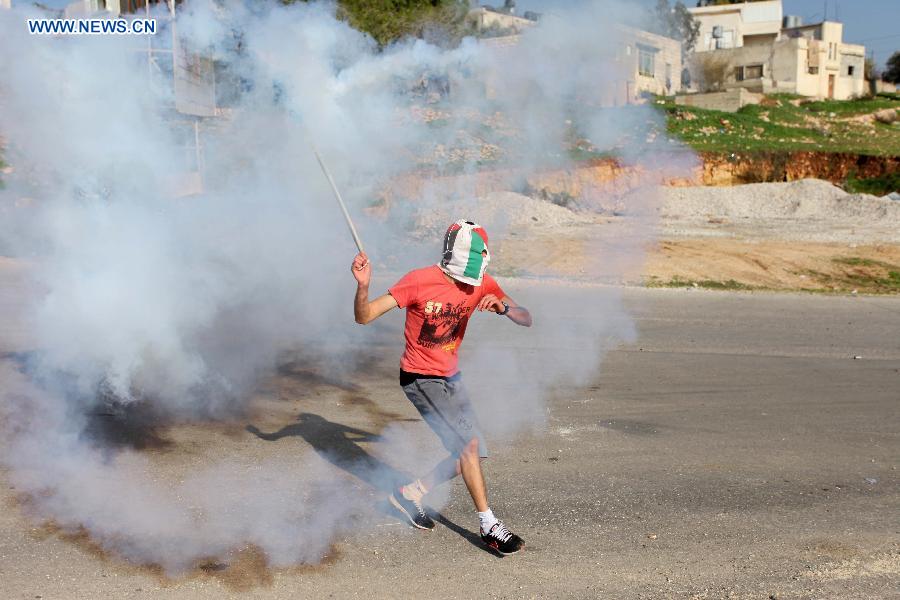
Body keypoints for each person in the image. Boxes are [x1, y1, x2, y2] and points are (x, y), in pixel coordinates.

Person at [351, 219, 532, 555]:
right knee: (468, 445)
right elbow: (365, 316)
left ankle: (411, 492)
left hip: (452, 377)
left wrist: (504, 307)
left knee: (475, 452)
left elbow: (526, 317)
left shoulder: (481, 283)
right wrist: (363, 286)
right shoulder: (419, 281)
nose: (469, 284)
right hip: (420, 378)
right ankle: (489, 524)